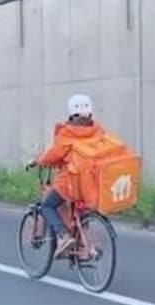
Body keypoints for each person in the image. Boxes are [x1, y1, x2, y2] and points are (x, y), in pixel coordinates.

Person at [30, 94, 106, 257]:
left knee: (47, 205)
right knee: (81, 209)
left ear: (71, 112)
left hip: (71, 184)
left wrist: (38, 161)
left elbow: (52, 155)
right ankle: (87, 242)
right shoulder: (98, 131)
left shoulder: (67, 133)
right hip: (93, 183)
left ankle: (63, 236)